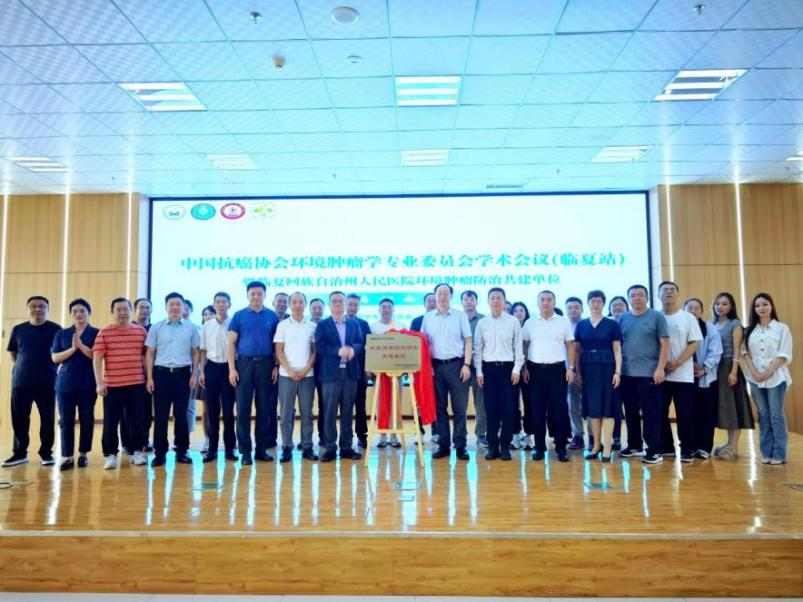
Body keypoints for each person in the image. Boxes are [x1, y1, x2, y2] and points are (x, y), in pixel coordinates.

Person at [2, 296, 62, 468]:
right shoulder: (18, 329)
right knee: (19, 419)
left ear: (47, 309)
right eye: (33, 306)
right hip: (21, 382)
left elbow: (60, 355)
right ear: (27, 309)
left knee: (47, 419)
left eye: (42, 306)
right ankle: (19, 453)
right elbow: (13, 353)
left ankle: (46, 453)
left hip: (47, 382)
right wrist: (23, 368)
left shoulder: (56, 329)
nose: (37, 309)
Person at [92, 297, 149, 470]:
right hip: (113, 386)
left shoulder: (140, 331)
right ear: (112, 312)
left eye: (126, 309)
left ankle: (137, 452)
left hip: (137, 384)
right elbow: (97, 358)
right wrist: (99, 383)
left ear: (131, 311)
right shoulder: (104, 332)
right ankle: (110, 455)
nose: (122, 312)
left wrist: (148, 378)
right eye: (118, 309)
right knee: (111, 422)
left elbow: (146, 356)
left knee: (137, 420)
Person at [228, 281, 280, 465]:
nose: (256, 296)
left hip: (266, 364)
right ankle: (245, 452)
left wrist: (276, 366)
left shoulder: (272, 316)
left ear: (265, 295)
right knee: (243, 409)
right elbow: (231, 343)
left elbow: (277, 345)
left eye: (259, 293)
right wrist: (232, 369)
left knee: (264, 409)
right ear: (247, 295)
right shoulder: (239, 315)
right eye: (253, 293)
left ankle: (261, 450)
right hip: (244, 364)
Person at [145, 292, 200, 467]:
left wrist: (194, 374)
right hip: (160, 375)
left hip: (183, 375)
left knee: (181, 415)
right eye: (171, 304)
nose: (175, 307)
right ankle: (160, 453)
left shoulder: (191, 328)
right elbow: (150, 353)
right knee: (160, 416)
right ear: (166, 307)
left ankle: (182, 450)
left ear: (183, 307)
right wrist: (149, 378)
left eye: (178, 304)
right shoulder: (156, 327)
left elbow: (196, 353)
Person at [618, 284, 670, 464]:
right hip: (626, 374)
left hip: (650, 374)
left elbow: (665, 344)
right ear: (629, 299)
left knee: (651, 414)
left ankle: (655, 450)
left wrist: (660, 368)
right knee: (630, 412)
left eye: (640, 295)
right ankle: (635, 446)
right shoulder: (623, 318)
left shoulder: (656, 316)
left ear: (647, 297)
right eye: (633, 295)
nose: (637, 298)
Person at [522, 290, 575, 462]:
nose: (545, 302)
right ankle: (539, 448)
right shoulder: (530, 323)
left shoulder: (563, 322)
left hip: (557, 370)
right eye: (542, 300)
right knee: (537, 411)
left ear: (554, 302)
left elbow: (570, 346)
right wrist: (525, 368)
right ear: (538, 303)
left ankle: (561, 448)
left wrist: (571, 368)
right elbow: (524, 346)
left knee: (559, 411)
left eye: (549, 300)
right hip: (535, 371)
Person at [422, 283, 473, 461]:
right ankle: (443, 445)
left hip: (457, 365)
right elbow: (423, 344)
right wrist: (426, 366)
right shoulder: (428, 318)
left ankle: (460, 445)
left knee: (460, 407)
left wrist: (467, 365)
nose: (442, 296)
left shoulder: (460, 316)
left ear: (451, 296)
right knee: (439, 408)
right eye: (439, 293)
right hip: (435, 367)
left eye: (445, 293)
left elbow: (468, 341)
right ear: (435, 296)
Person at [742, 292, 793, 465]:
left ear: (771, 306)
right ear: (754, 309)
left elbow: (784, 353)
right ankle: (766, 452)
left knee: (776, 415)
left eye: (765, 304)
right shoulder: (749, 330)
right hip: (754, 378)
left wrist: (769, 371)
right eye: (757, 305)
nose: (761, 308)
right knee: (763, 415)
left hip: (776, 377)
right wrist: (754, 372)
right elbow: (745, 353)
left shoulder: (782, 328)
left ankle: (779, 453)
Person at [474, 288, 523, 461]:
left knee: (509, 409)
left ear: (504, 301)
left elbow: (518, 348)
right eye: (492, 298)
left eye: (499, 298)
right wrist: (479, 371)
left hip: (508, 370)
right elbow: (478, 349)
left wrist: (516, 369)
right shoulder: (482, 323)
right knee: (491, 409)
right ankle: (492, 446)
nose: (496, 301)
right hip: (488, 370)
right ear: (488, 301)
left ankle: (505, 447)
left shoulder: (513, 321)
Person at [315, 291, 364, 462]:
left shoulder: (353, 324)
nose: (337, 304)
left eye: (340, 301)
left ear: (345, 303)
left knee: (347, 411)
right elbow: (320, 348)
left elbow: (360, 343)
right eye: (334, 301)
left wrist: (353, 349)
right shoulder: (322, 325)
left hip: (350, 373)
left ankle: (346, 447)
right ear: (329, 305)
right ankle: (330, 447)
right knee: (329, 412)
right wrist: (338, 351)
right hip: (330, 374)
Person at [574, 290, 622, 462]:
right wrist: (578, 371)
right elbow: (577, 351)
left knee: (608, 408)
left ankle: (607, 447)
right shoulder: (581, 325)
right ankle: (596, 446)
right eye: (592, 301)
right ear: (588, 303)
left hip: (608, 369)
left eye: (599, 301)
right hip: (588, 369)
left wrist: (618, 372)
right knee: (593, 410)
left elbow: (617, 350)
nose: (595, 304)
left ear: (603, 303)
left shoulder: (612, 324)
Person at [51, 298, 99, 471]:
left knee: (87, 419)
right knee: (66, 420)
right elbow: (55, 358)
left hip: (88, 382)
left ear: (89, 313)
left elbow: (96, 356)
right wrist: (72, 348)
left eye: (82, 311)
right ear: (71, 314)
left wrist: (81, 346)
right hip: (65, 383)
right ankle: (67, 456)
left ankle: (83, 454)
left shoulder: (96, 333)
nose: (79, 314)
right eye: (75, 311)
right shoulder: (62, 333)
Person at [658, 281, 702, 464]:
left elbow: (695, 342)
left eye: (672, 290)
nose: (668, 293)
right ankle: (666, 448)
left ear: (677, 294)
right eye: (664, 290)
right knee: (659, 412)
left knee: (684, 414)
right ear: (658, 295)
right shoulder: (655, 316)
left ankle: (687, 450)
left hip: (683, 374)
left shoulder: (687, 317)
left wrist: (677, 363)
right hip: (660, 373)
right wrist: (661, 365)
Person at [275, 292, 318, 462]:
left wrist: (306, 369)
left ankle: (307, 446)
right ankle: (287, 447)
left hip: (307, 375)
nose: (297, 305)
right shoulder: (282, 325)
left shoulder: (312, 326)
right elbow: (279, 350)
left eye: (301, 302)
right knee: (286, 413)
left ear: (305, 304)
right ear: (290, 304)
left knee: (307, 413)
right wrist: (290, 370)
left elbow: (314, 351)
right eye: (294, 302)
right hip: (287, 375)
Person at [711, 292, 754, 460]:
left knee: (735, 406)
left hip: (729, 367)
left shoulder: (735, 324)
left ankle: (733, 446)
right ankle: (728, 444)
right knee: (725, 407)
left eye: (724, 304)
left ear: (731, 307)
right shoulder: (711, 324)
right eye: (717, 303)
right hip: (715, 368)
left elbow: (737, 350)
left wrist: (734, 371)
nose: (720, 307)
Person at [198, 292, 237, 463]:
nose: (221, 305)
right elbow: (203, 351)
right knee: (212, 411)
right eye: (218, 302)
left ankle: (230, 449)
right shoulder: (207, 326)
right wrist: (201, 371)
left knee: (228, 412)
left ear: (229, 305)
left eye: (224, 302)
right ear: (214, 305)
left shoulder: (234, 323)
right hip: (212, 369)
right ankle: (212, 449)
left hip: (229, 368)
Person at [684, 297, 722, 459]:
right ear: (684, 310)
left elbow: (716, 351)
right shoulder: (681, 327)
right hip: (684, 377)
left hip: (705, 376)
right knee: (689, 413)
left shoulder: (710, 328)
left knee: (706, 413)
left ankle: (704, 447)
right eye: (689, 308)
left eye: (696, 308)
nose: (693, 311)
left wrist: (704, 368)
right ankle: (691, 446)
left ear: (702, 311)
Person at [370, 297, 405, 449]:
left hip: (397, 373)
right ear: (379, 310)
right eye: (383, 307)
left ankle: (394, 435)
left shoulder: (400, 326)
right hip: (379, 374)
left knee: (396, 404)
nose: (386, 309)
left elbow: (405, 349)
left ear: (393, 309)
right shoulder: (373, 327)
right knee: (380, 405)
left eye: (389, 307)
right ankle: (382, 435)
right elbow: (369, 350)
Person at [122, 297, 153, 454]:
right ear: (135, 310)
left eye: (147, 307)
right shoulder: (128, 327)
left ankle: (144, 440)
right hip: (130, 375)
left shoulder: (154, 329)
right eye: (141, 307)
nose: (144, 310)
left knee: (146, 411)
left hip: (149, 376)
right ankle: (126, 443)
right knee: (127, 412)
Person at [461, 290, 487, 449]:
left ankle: (481, 434)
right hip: (461, 366)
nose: (469, 302)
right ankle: (461, 435)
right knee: (460, 403)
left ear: (476, 302)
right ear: (462, 302)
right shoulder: (457, 319)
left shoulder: (484, 320)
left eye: (471, 299)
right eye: (466, 300)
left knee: (481, 403)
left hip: (479, 366)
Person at [346, 293, 372, 449]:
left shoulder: (364, 324)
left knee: (360, 405)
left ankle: (362, 436)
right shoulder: (337, 322)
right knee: (346, 406)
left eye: (355, 305)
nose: (352, 307)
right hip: (342, 373)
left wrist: (368, 368)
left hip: (360, 371)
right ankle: (346, 438)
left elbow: (370, 348)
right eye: (350, 304)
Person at [606, 295, 628, 450]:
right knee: (615, 406)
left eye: (621, 305)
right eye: (614, 305)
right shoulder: (606, 324)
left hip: (631, 370)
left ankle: (634, 442)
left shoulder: (631, 321)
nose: (617, 308)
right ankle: (616, 437)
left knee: (631, 407)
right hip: (611, 371)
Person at [509, 301, 531, 450]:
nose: (519, 313)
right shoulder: (508, 326)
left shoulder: (530, 326)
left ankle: (529, 436)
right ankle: (516, 434)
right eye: (515, 311)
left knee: (530, 404)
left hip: (529, 370)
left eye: (521, 310)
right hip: (511, 370)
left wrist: (526, 368)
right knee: (512, 404)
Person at [564, 296, 585, 451]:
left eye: (576, 307)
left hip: (588, 370)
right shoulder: (563, 325)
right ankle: (577, 435)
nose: (573, 310)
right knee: (573, 405)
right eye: (570, 307)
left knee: (591, 406)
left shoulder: (588, 324)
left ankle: (593, 436)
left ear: (582, 309)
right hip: (568, 371)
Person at [309, 297, 326, 448]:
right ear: (309, 310)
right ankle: (306, 440)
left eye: (319, 308)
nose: (317, 311)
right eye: (314, 308)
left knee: (324, 405)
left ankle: (323, 437)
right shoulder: (304, 325)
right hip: (306, 371)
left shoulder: (327, 325)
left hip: (323, 371)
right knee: (306, 406)